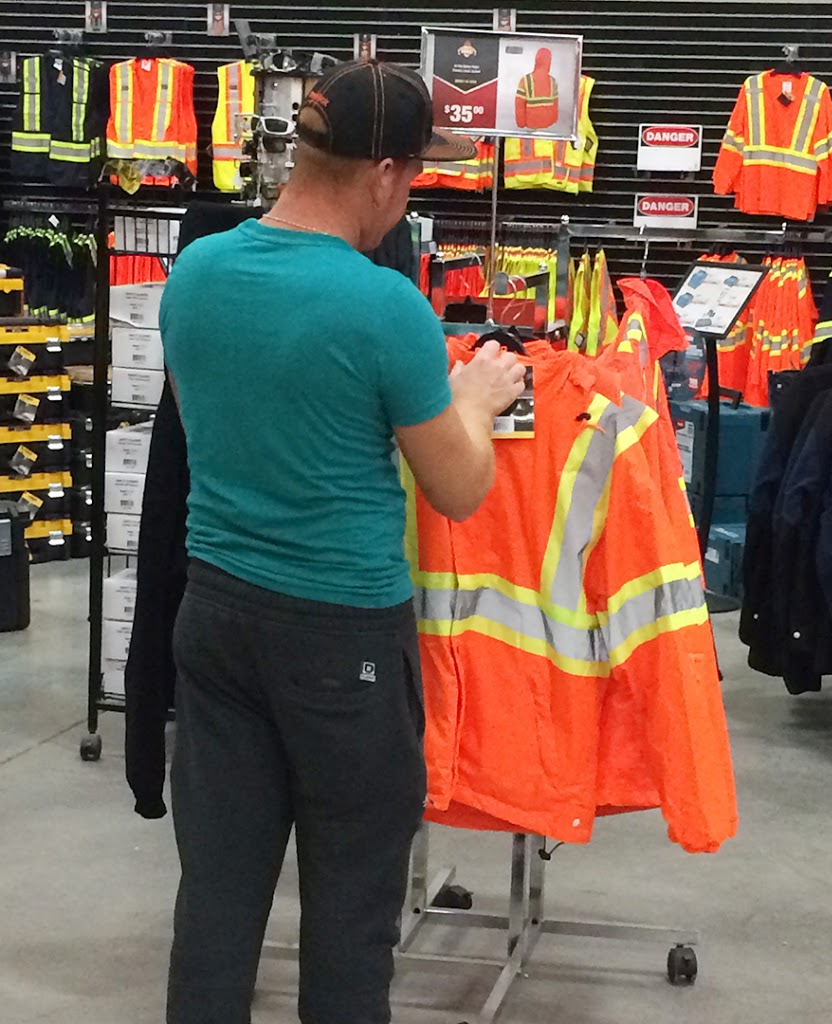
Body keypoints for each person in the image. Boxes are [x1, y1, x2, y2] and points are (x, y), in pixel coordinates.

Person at [159, 60, 526, 1024]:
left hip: (216, 613)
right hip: (342, 636)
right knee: (352, 914)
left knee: (217, 895)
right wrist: (475, 399)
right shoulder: (384, 306)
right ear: (383, 173)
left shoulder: (195, 272)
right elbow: (458, 488)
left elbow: (205, 429)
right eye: (412, 175)